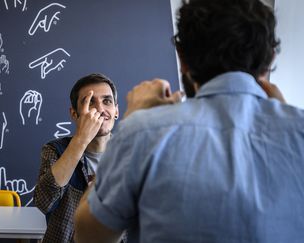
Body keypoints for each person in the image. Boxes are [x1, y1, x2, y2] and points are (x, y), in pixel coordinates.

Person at [74, 0, 304, 242]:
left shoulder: (142, 132)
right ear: (269, 59)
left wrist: (132, 119)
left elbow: (90, 236)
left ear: (182, 58)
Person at [34, 73, 119, 242]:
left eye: (107, 101)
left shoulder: (132, 152)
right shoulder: (55, 150)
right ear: (74, 113)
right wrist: (81, 140)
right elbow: (44, 203)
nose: (101, 109)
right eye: (90, 102)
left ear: (116, 111)